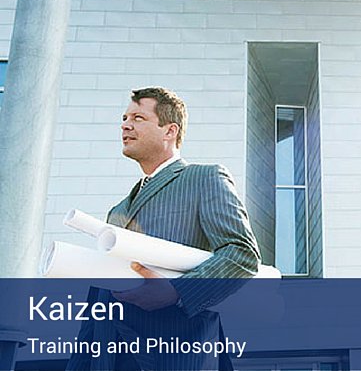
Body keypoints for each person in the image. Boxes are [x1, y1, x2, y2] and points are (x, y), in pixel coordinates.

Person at [66, 86, 260, 370]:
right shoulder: (118, 210)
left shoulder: (204, 179)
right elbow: (99, 294)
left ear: (170, 131)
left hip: (173, 354)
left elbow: (241, 254)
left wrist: (178, 291)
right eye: (124, 117)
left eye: (138, 117)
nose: (125, 124)